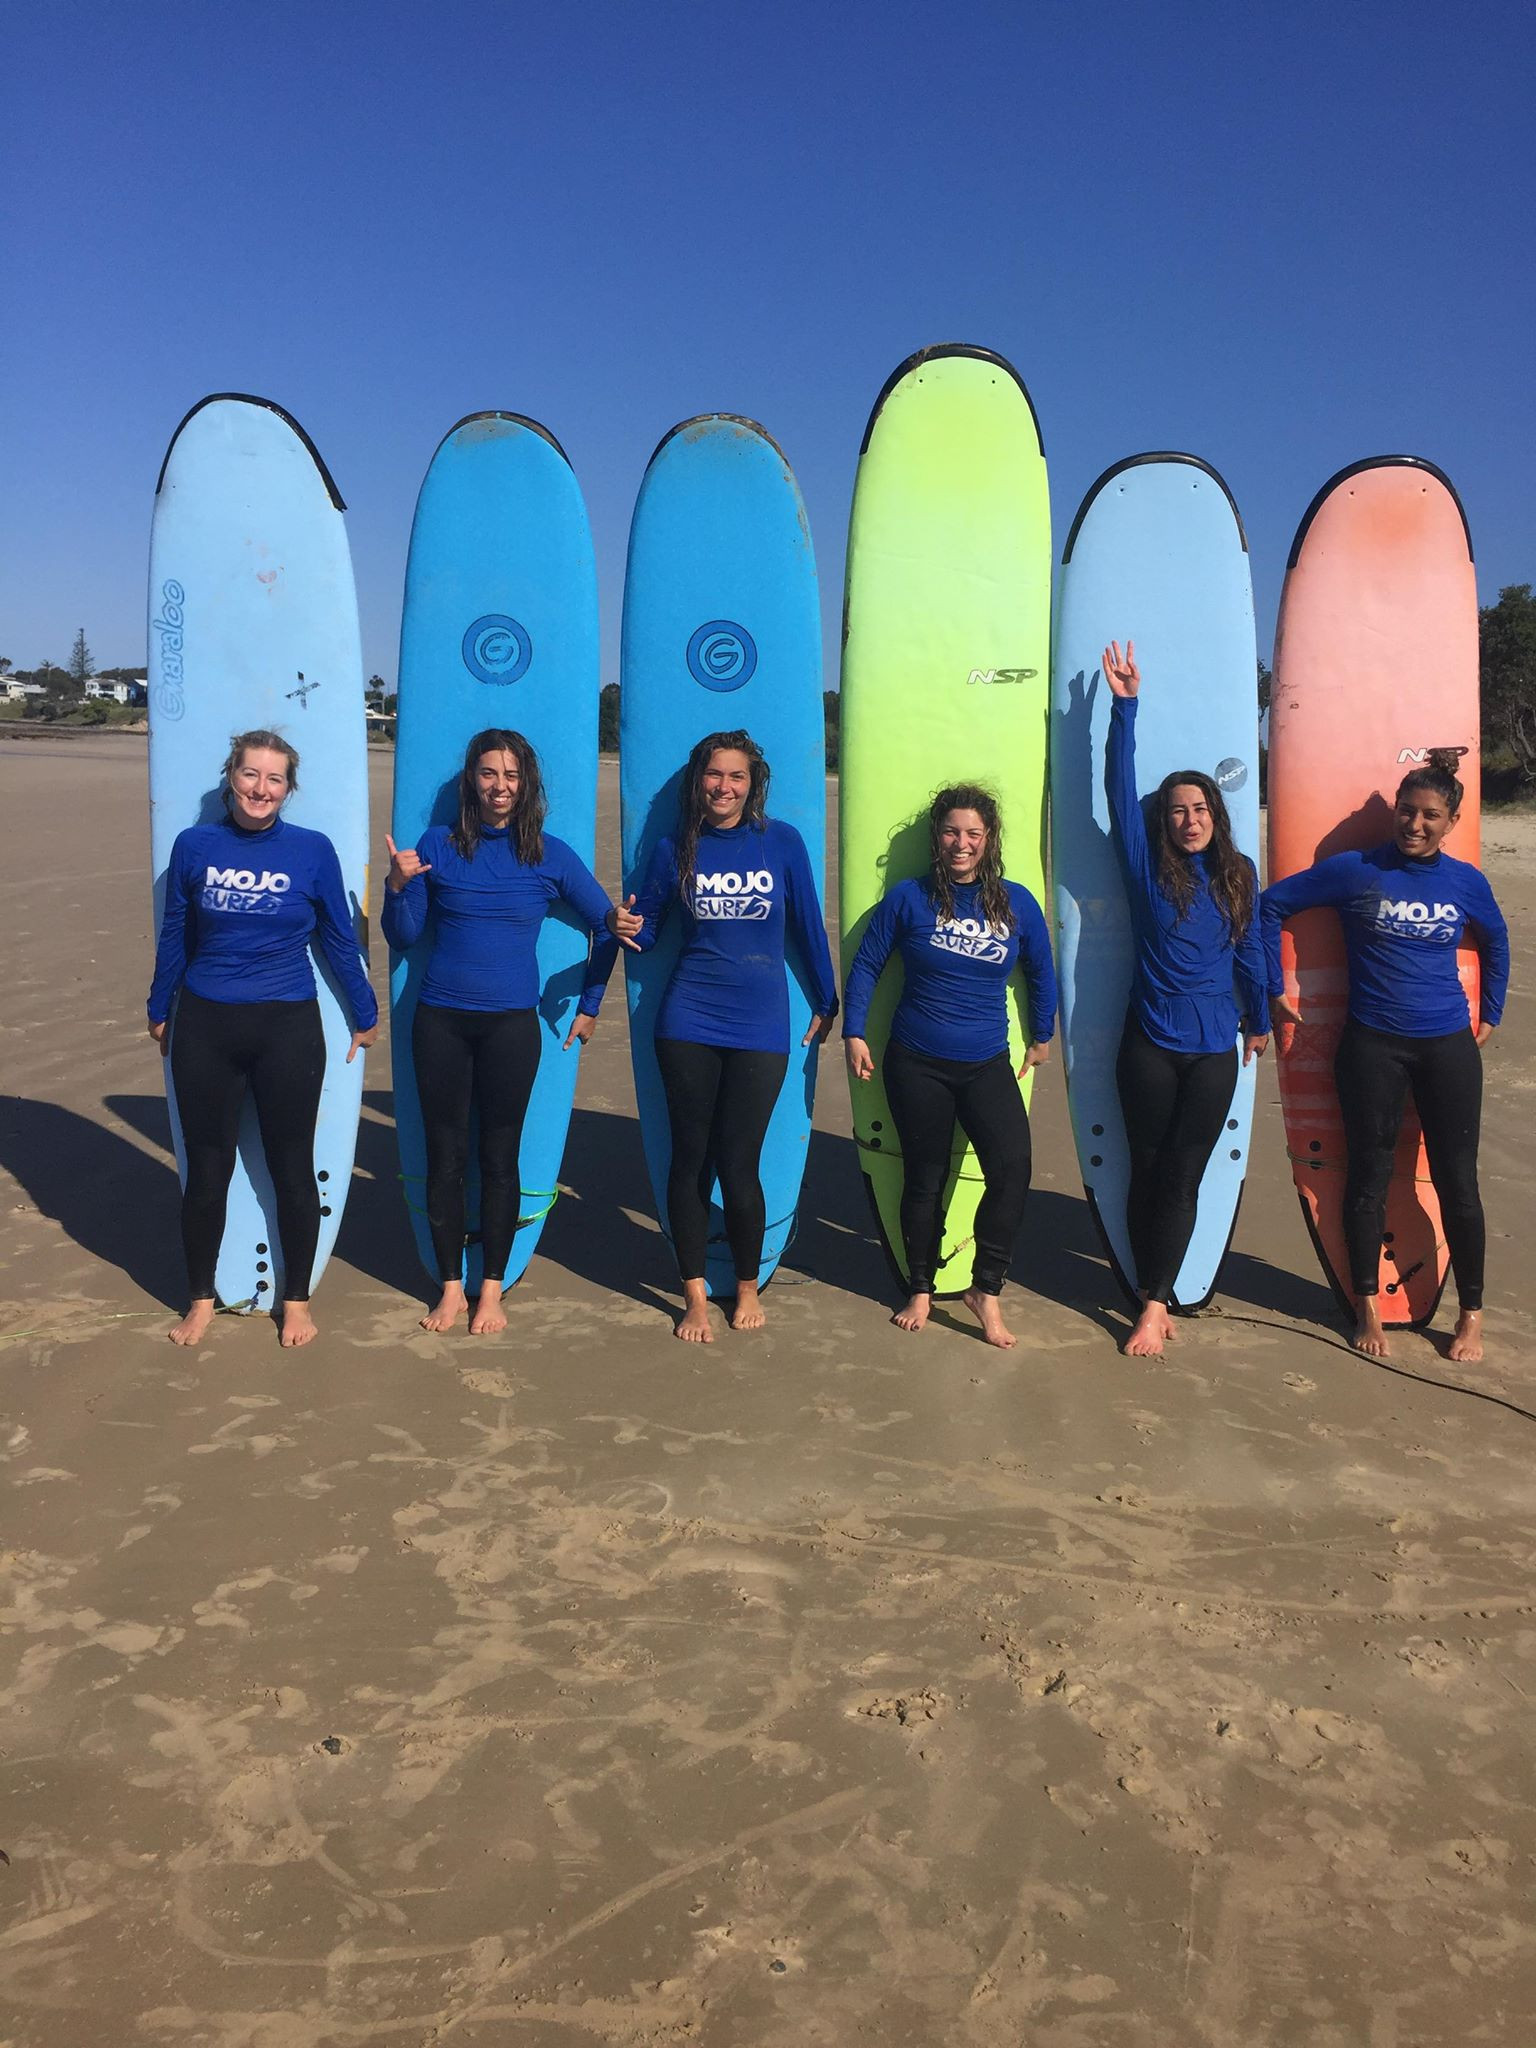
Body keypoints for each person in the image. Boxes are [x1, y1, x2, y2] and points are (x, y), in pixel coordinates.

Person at [382, 728, 639, 1336]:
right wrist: (397, 885)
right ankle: (449, 1289)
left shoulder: (548, 855)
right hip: (440, 1020)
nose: (501, 787)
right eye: (490, 774)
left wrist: (590, 1003)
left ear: (527, 787)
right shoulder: (436, 846)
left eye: (513, 776)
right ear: (472, 780)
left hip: (510, 1027)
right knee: (445, 1157)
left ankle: (490, 1291)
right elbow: (404, 936)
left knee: (500, 1159)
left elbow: (608, 927)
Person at [1260, 749, 1509, 1364]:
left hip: (1446, 1045)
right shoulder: (1356, 870)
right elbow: (1270, 907)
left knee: (1458, 1182)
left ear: (1451, 821)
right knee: (1367, 1177)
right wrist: (1272, 988)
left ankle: (1470, 1314)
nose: (1414, 824)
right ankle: (1366, 1303)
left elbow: (1497, 939)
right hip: (1371, 1046)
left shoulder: (1464, 882)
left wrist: (1492, 1014)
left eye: (1429, 815)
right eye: (1405, 811)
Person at [147, 729, 378, 1348]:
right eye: (251, 775)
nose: (261, 789)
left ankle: (296, 1300)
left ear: (288, 788)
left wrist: (364, 1009)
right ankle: (199, 1298)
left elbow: (336, 936)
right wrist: (159, 1007)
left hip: (287, 1029)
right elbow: (175, 934)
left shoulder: (311, 850)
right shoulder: (194, 845)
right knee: (207, 1170)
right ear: (231, 777)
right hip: (207, 1024)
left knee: (293, 1169)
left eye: (274, 779)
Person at [622, 729, 837, 1342]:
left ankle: (746, 1285)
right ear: (700, 781)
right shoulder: (674, 848)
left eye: (736, 776)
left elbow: (806, 926)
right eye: (714, 775)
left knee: (740, 1165)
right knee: (690, 1159)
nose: (724, 786)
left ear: (753, 782)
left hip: (761, 1023)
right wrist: (622, 921)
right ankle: (692, 1295)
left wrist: (827, 998)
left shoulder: (781, 843)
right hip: (688, 1019)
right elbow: (649, 930)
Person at [1100, 639, 1271, 1357]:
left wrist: (1259, 1018)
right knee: (1147, 1169)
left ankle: (1153, 1300)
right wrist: (1124, 708)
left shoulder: (1239, 874)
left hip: (1212, 1051)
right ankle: (1153, 1294)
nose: (1188, 818)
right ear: (1162, 821)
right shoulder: (1145, 871)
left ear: (1215, 814)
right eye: (1176, 810)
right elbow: (1116, 786)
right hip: (1147, 1045)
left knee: (1184, 1173)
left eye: (1199, 807)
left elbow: (1253, 951)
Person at [843, 783, 1057, 1349]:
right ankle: (920, 1286)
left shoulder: (1014, 903)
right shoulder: (909, 899)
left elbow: (1041, 969)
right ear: (937, 838)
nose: (961, 843)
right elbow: (867, 963)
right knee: (925, 1177)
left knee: (1012, 1168)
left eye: (972, 834)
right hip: (915, 1061)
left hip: (986, 1061)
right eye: (951, 832)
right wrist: (855, 1031)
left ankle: (985, 1289)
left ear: (988, 841)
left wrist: (1043, 1033)